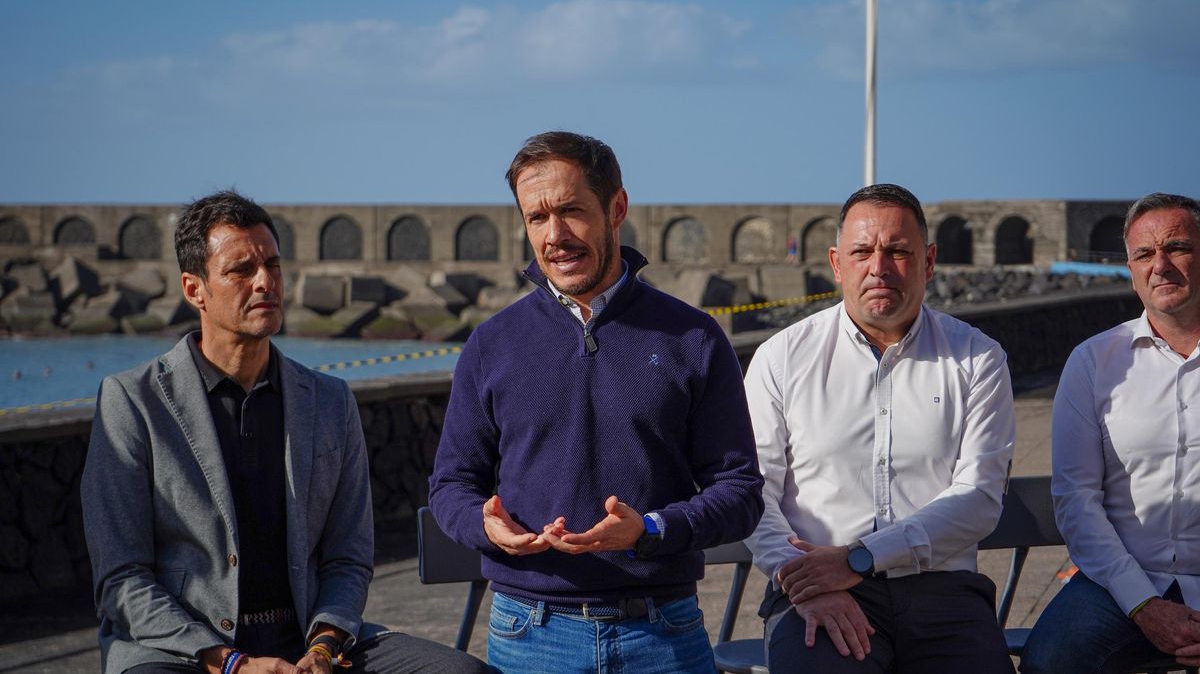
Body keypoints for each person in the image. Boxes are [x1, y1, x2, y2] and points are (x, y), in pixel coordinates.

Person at [81, 190, 490, 674]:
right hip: (183, 652)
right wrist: (231, 662)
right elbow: (122, 580)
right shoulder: (133, 402)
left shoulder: (331, 401)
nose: (265, 282)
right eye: (241, 270)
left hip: (313, 639)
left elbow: (348, 558)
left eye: (273, 265)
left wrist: (323, 647)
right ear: (194, 290)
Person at [428, 131, 764, 673]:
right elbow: (450, 486)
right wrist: (484, 526)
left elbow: (741, 492)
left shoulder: (694, 338)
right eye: (536, 218)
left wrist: (651, 530)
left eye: (571, 211)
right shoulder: (490, 344)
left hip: (664, 633)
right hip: (527, 635)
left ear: (617, 208)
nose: (554, 235)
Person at [742, 183, 1016, 673]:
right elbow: (752, 491)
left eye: (898, 252)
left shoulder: (977, 358)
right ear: (836, 263)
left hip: (943, 593)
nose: (879, 268)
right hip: (813, 586)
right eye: (862, 251)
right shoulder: (782, 358)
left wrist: (859, 558)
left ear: (929, 261)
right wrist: (802, 582)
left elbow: (978, 498)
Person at [1021, 193, 1200, 673]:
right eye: (1144, 254)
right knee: (1050, 661)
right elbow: (1077, 498)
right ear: (1130, 269)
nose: (1160, 265)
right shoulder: (1094, 362)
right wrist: (1143, 603)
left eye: (1177, 247)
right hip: (1121, 581)